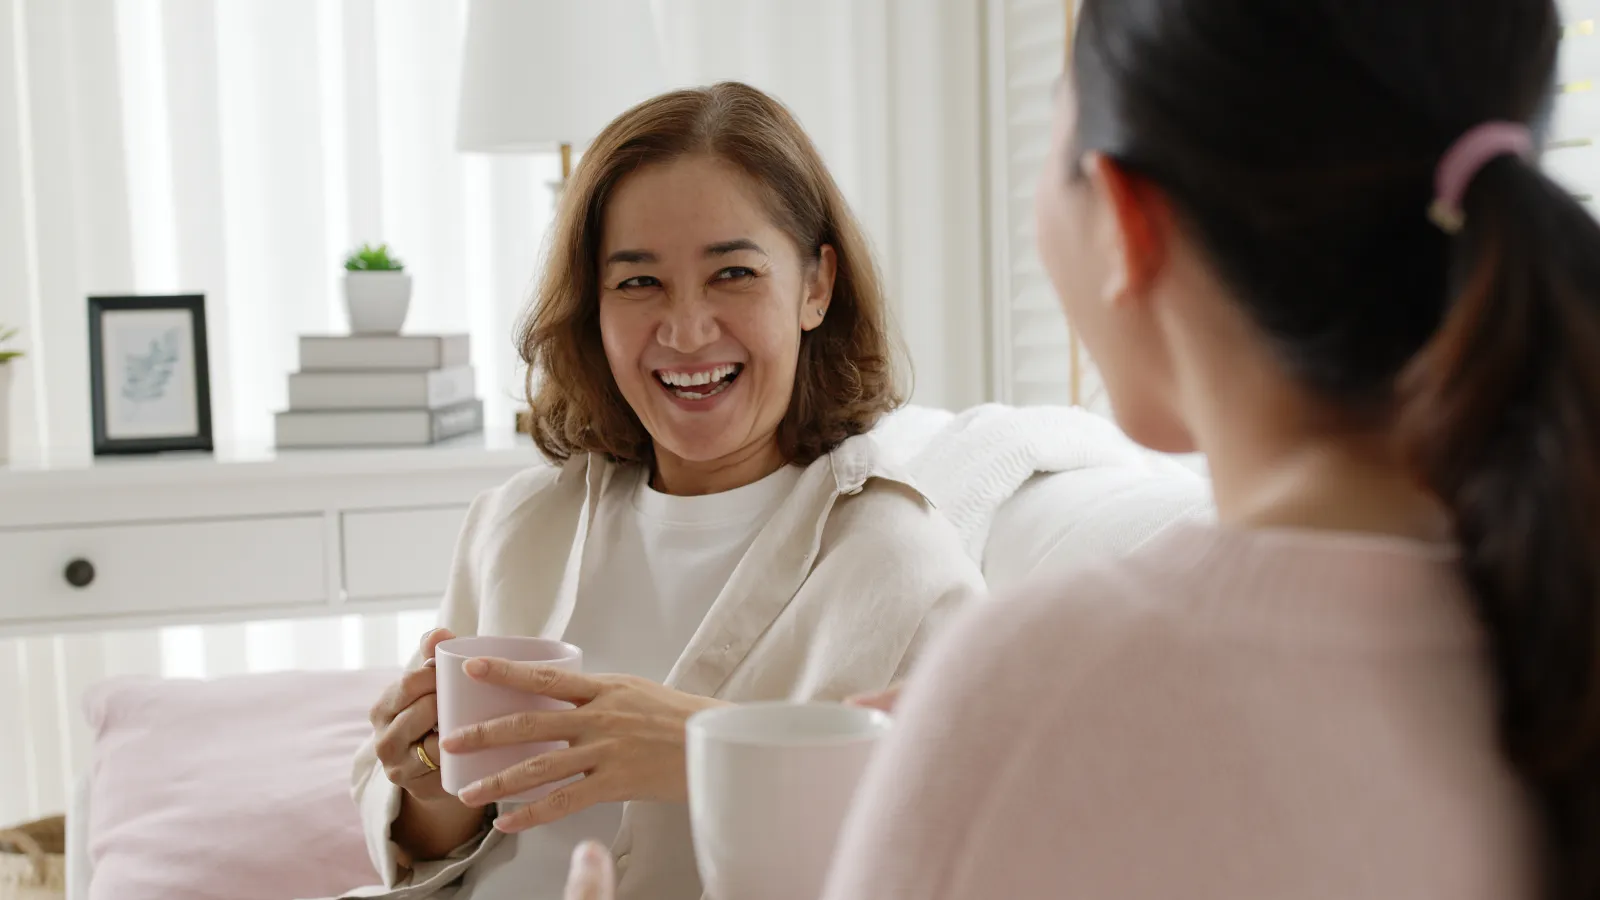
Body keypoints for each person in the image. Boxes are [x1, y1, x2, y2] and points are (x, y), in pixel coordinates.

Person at [559, 0, 1595, 897]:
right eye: (637, 279)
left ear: (1127, 224)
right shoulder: (1553, 620)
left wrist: (1006, 727)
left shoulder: (1036, 679)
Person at [340, 82, 984, 900]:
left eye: (733, 273)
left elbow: (959, 844)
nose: (685, 331)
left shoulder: (904, 568)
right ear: (593, 307)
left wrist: (707, 749)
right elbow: (426, 841)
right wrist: (428, 787)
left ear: (815, 287)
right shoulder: (518, 527)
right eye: (638, 283)